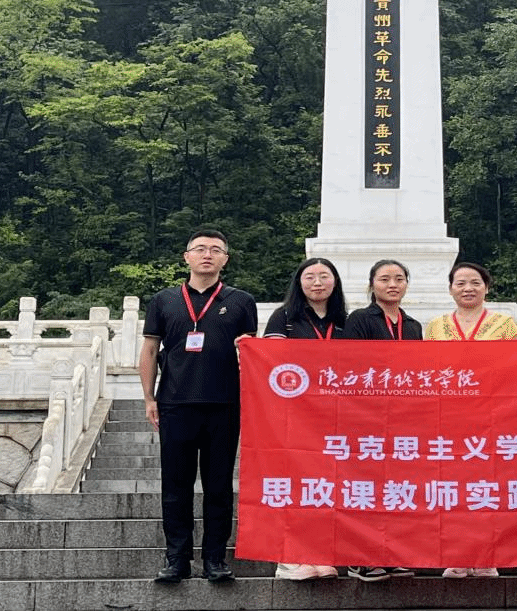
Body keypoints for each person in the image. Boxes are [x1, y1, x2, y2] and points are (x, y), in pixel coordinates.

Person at [140, 229, 258, 585]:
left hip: (224, 404)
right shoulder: (163, 300)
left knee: (219, 486)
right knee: (175, 486)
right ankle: (176, 558)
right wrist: (149, 397)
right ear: (186, 256)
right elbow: (149, 350)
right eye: (201, 249)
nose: (208, 254)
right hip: (175, 403)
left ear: (225, 259)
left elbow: (251, 353)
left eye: (216, 250)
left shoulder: (241, 301)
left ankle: (215, 559)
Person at [424, 260, 517, 578]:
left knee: (488, 487)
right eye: (460, 283)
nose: (468, 288)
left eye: (475, 282)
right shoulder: (435, 326)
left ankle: (487, 555)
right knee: (453, 487)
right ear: (450, 289)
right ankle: (457, 554)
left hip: (493, 415)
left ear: (486, 288)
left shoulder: (505, 324)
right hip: (449, 418)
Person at [262, 256, 347, 580]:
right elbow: (271, 362)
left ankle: (320, 554)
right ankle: (288, 558)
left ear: (335, 282)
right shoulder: (283, 317)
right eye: (310, 276)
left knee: (324, 487)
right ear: (299, 282)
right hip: (293, 415)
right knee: (294, 484)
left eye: (324, 276)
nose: (317, 282)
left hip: (333, 417)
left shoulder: (344, 321)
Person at [340, 258, 421, 581]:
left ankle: (391, 553)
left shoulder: (413, 325)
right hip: (367, 416)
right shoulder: (360, 319)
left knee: (395, 487)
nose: (392, 284)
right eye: (385, 279)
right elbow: (352, 365)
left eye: (399, 278)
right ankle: (361, 557)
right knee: (366, 487)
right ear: (372, 284)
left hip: (403, 417)